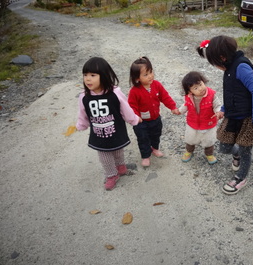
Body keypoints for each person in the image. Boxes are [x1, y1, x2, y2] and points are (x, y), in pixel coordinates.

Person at [197, 36, 253, 194]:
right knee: (225, 146)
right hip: (233, 115)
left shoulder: (241, 67)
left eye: (214, 62)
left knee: (246, 149)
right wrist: (223, 109)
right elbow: (231, 92)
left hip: (248, 118)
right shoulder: (228, 68)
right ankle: (238, 155)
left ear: (222, 57)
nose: (214, 66)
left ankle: (241, 177)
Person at [76, 57, 141, 191]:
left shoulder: (115, 93)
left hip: (116, 130)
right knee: (105, 155)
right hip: (99, 134)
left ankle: (121, 166)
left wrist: (134, 119)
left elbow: (126, 109)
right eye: (85, 75)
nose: (88, 79)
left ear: (104, 76)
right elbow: (83, 113)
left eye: (93, 75)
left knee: (118, 150)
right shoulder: (84, 96)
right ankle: (111, 175)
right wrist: (81, 125)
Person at [128, 56, 180, 167]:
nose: (150, 76)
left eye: (151, 72)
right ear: (137, 78)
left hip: (155, 118)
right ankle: (145, 155)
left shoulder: (157, 85)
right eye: (145, 75)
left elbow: (165, 97)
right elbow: (132, 106)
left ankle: (155, 148)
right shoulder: (134, 91)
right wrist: (136, 117)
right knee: (143, 138)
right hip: (141, 122)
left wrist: (172, 107)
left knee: (156, 134)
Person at [178, 71, 222, 165]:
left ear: (203, 81)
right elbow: (186, 105)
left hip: (208, 123)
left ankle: (209, 154)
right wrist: (180, 110)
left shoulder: (212, 95)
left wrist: (218, 111)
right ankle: (189, 151)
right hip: (192, 122)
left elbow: (217, 105)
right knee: (190, 139)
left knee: (209, 140)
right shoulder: (188, 97)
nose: (200, 88)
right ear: (190, 91)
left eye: (201, 84)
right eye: (196, 88)